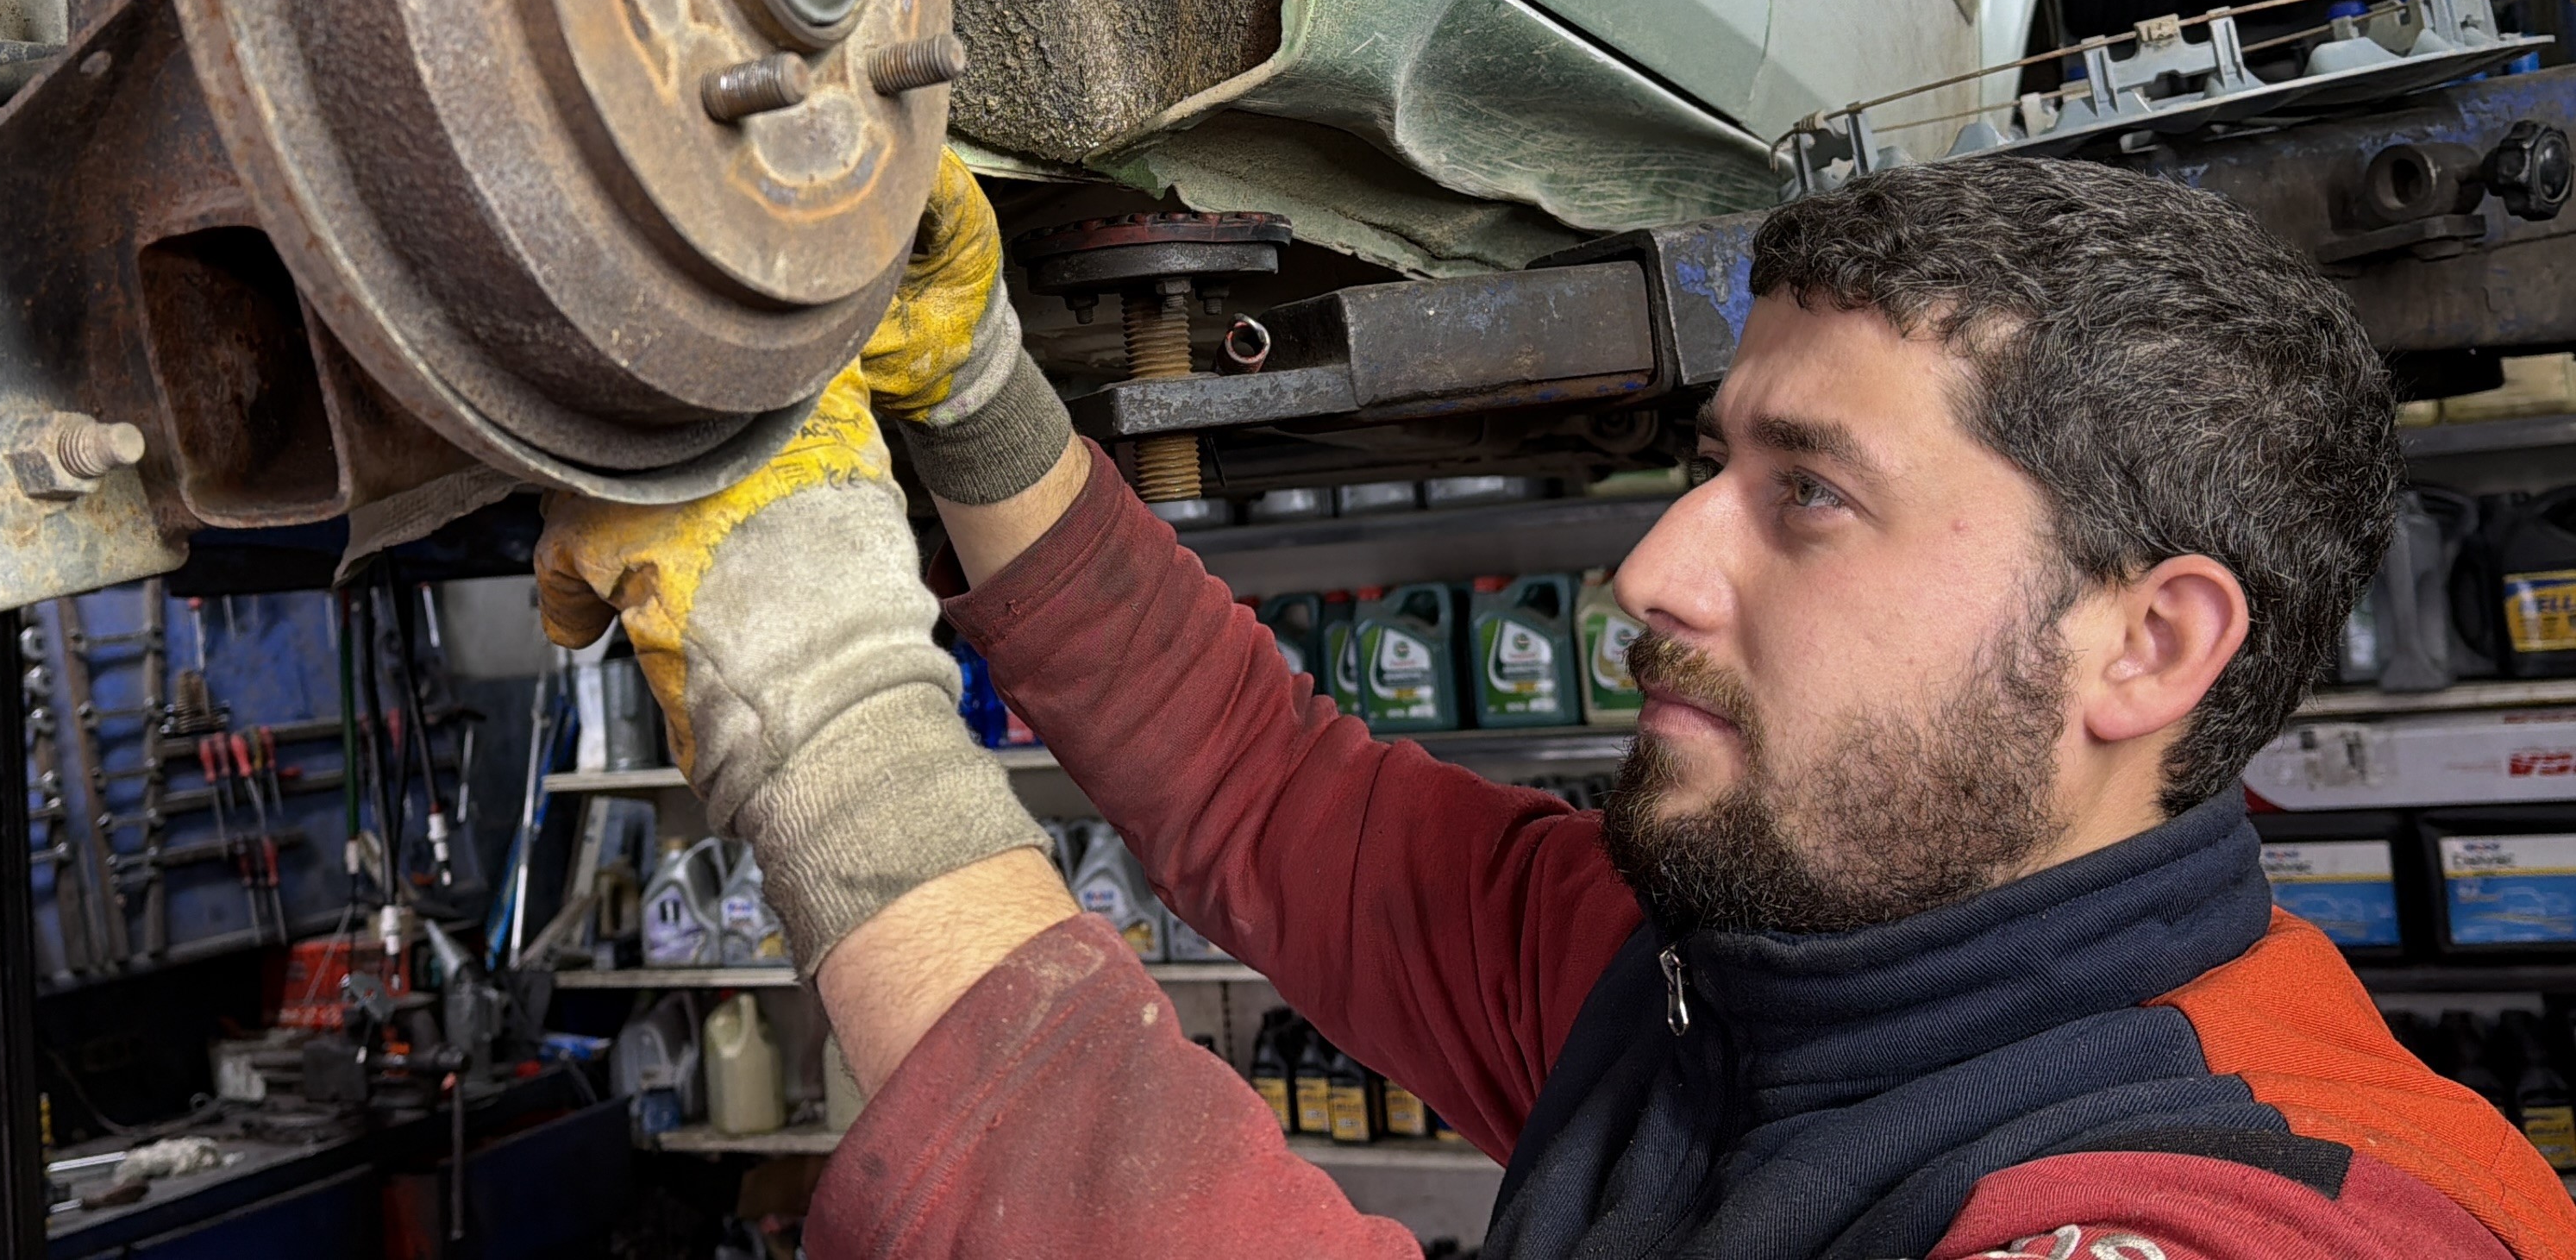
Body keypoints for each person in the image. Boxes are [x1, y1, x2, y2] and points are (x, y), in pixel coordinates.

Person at [536, 152, 2576, 1258]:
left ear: (2139, 648)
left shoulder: (2285, 1208)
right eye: (1711, 465)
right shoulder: (1754, 967)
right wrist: (972, 393)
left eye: (1809, 497)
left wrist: (813, 692)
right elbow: (1265, 783)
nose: (1655, 571)